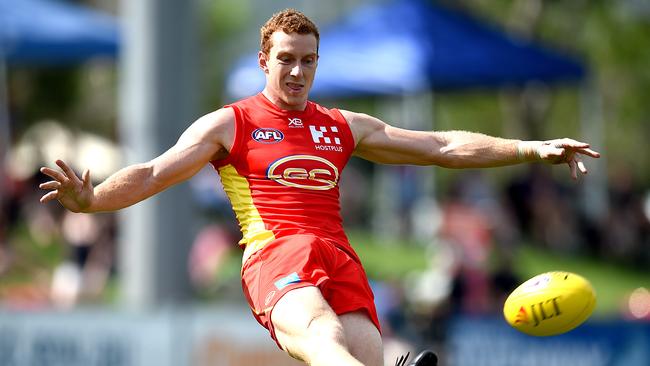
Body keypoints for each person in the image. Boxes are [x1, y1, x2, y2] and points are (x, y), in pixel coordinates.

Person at [39, 9, 600, 366]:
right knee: (324, 337)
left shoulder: (341, 126)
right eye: (285, 60)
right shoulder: (229, 123)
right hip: (275, 254)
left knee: (368, 355)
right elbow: (156, 172)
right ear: (264, 60)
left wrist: (531, 148)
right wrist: (93, 200)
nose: (296, 72)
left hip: (339, 255)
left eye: (308, 61)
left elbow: (441, 147)